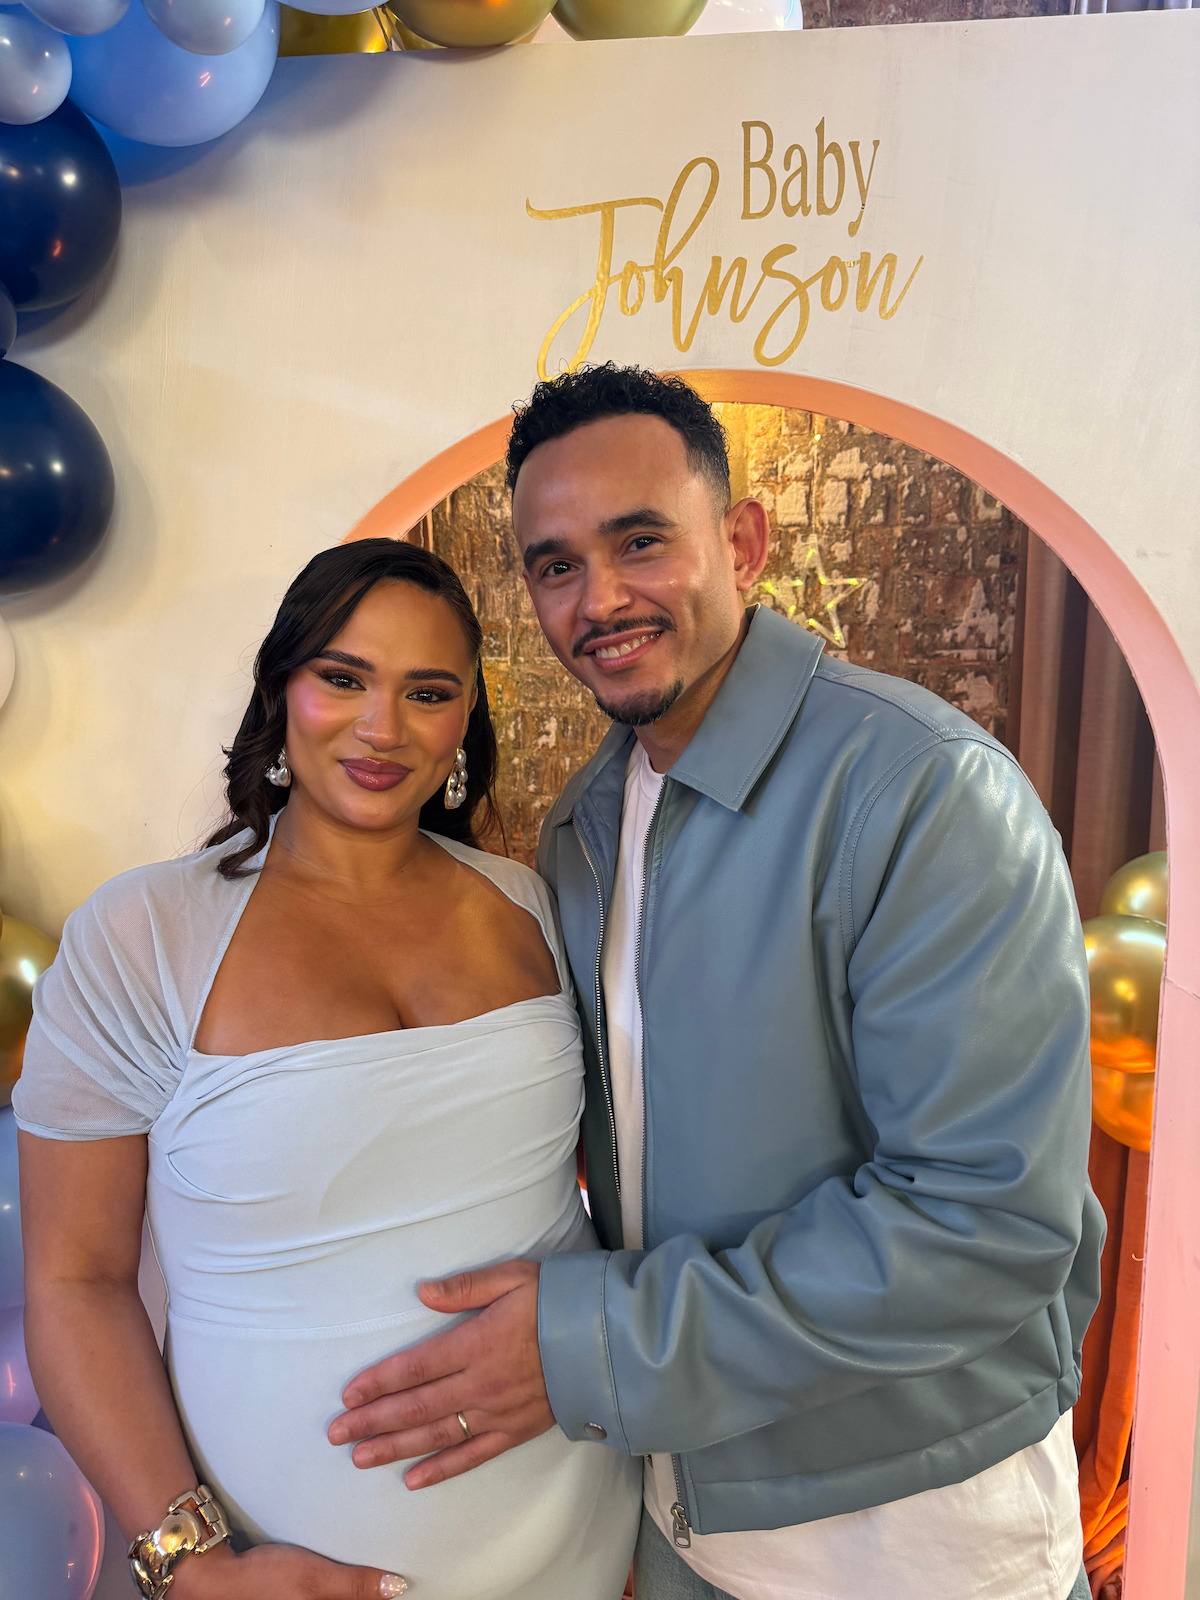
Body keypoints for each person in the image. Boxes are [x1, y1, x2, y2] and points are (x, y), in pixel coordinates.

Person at [330, 369, 1104, 1600]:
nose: (601, 598)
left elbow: (984, 1226)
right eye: (555, 564)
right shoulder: (586, 823)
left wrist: (586, 1340)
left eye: (641, 541)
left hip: (918, 1542)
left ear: (742, 542)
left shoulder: (924, 790)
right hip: (681, 1520)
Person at [13, 539, 641, 1600]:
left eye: (428, 692)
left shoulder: (533, 903)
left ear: (462, 726)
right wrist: (195, 1568)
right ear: (281, 691)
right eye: (343, 678)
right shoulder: (143, 934)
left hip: (584, 1521)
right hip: (278, 1565)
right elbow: (76, 1283)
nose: (383, 727)